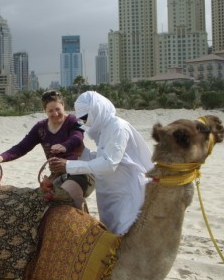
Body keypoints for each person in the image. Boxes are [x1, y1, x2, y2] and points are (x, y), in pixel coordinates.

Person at [49, 91, 154, 235]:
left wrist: (68, 165)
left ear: (96, 110)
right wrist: (83, 152)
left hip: (126, 193)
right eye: (82, 119)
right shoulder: (104, 130)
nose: (85, 122)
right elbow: (101, 158)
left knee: (127, 236)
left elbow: (109, 164)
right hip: (110, 194)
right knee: (111, 236)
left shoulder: (118, 127)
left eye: (86, 118)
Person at [0, 90, 93, 209]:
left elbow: (77, 137)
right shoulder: (40, 128)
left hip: (80, 171)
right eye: (50, 111)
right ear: (45, 111)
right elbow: (22, 147)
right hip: (57, 176)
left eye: (58, 109)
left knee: (69, 195)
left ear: (63, 106)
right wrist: (2, 157)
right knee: (40, 202)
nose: (55, 113)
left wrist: (65, 146)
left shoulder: (74, 121)